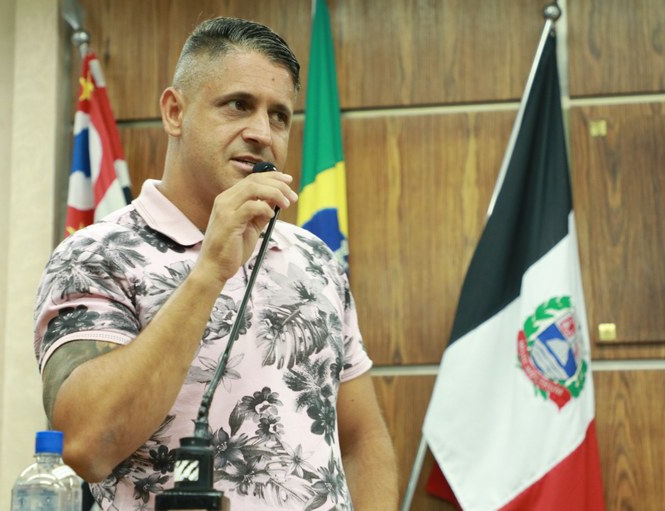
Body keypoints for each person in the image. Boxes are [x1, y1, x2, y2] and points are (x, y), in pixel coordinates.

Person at [34, 16, 398, 511]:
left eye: (279, 116)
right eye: (238, 105)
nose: (262, 133)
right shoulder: (94, 256)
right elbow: (87, 445)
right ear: (175, 112)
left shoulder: (315, 260)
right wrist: (208, 273)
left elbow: (361, 439)